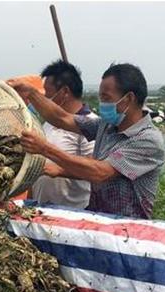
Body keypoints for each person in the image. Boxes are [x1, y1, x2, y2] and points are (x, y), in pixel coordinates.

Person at [8, 63, 164, 219]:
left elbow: (100, 172)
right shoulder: (107, 125)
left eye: (106, 98)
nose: (102, 103)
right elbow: (63, 118)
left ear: (128, 99)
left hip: (128, 229)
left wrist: (45, 149)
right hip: (97, 219)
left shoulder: (147, 140)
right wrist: (32, 94)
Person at [31, 60, 95, 209]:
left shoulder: (91, 126)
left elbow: (95, 170)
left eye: (48, 93)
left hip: (73, 214)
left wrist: (60, 170)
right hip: (42, 210)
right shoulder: (48, 123)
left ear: (64, 92)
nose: (45, 99)